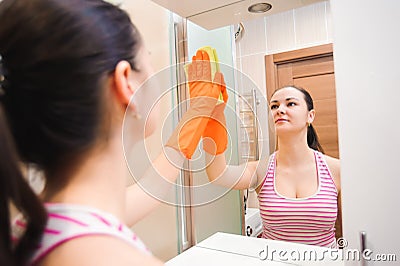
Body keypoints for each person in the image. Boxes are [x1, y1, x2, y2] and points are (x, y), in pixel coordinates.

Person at [0, 0, 225, 265]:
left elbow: (151, 187)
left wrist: (196, 117)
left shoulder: (33, 220)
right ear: (126, 81)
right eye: (148, 62)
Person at [203, 84, 341, 248]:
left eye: (290, 104)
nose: (280, 110)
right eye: (274, 106)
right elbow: (219, 174)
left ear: (310, 116)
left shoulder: (336, 169)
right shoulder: (261, 170)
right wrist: (213, 123)